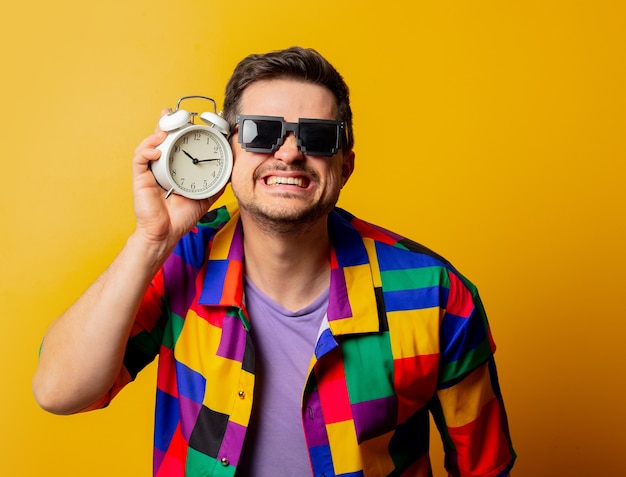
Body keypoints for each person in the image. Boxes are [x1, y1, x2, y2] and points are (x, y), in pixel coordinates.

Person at [33, 46, 516, 477]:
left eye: (318, 136)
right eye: (263, 133)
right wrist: (150, 240)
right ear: (226, 151)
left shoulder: (435, 294)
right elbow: (60, 392)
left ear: (345, 164)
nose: (289, 152)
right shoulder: (177, 261)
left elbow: (483, 466)